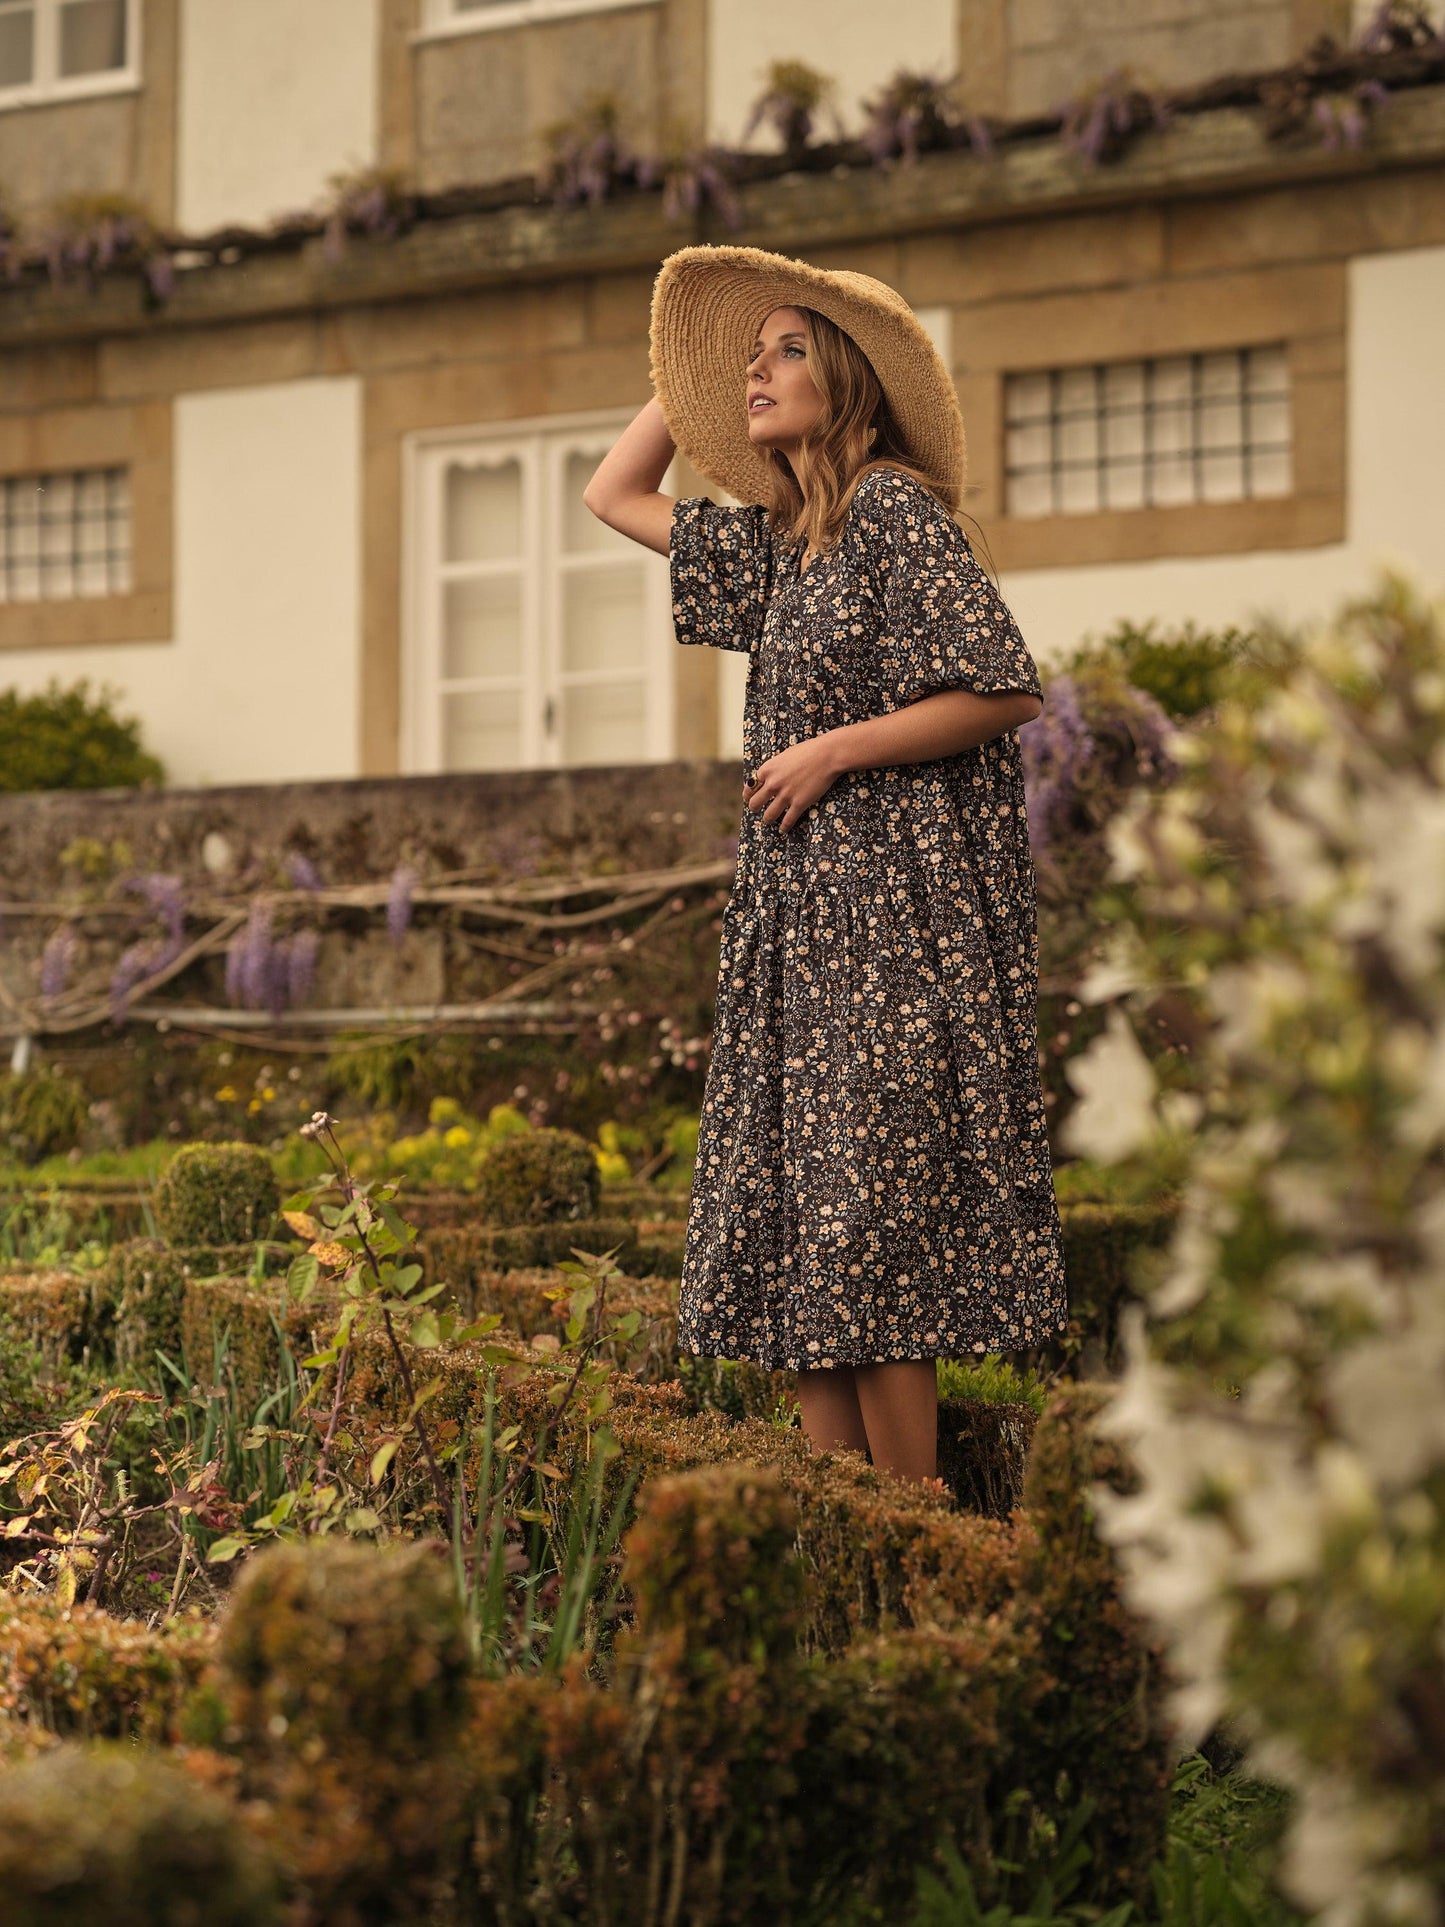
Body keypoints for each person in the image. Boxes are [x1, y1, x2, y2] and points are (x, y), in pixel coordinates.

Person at [582, 244, 1067, 1487]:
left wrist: (833, 751)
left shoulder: (894, 512)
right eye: (751, 356)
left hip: (899, 916)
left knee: (872, 1230)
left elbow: (1003, 687)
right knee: (808, 1219)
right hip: (800, 923)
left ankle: (923, 1527)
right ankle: (844, 1528)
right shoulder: (780, 547)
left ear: (845, 378)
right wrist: (692, 382)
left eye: (786, 350)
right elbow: (612, 490)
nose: (758, 370)